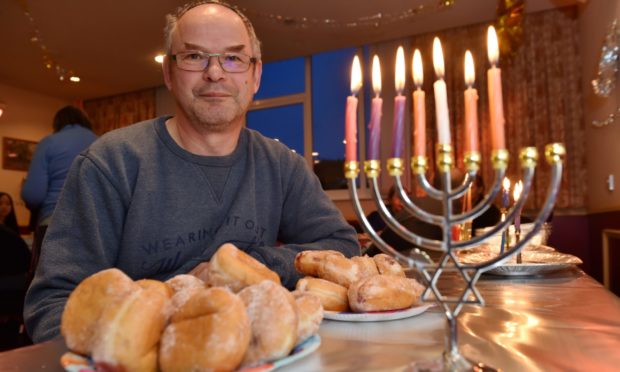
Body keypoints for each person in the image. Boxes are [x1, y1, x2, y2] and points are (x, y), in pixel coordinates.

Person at [24, 0, 359, 343]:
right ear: (168, 73)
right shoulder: (111, 163)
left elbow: (342, 246)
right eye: (194, 56)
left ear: (255, 75)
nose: (215, 72)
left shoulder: (280, 164)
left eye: (233, 58)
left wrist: (249, 267)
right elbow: (51, 305)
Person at [21, 105, 98, 243]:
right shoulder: (101, 143)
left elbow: (33, 195)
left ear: (58, 123)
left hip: (55, 221)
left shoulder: (49, 142)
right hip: (95, 226)